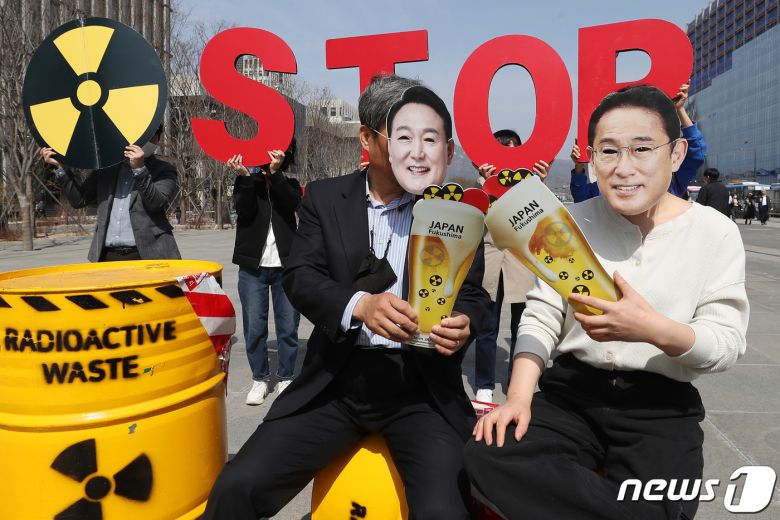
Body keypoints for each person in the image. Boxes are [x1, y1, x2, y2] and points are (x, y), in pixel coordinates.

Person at [203, 76, 489, 519]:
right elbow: (301, 275)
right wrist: (360, 304)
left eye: (429, 139)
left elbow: (472, 295)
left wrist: (465, 323)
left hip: (421, 390)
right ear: (368, 139)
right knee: (239, 486)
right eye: (402, 135)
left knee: (447, 510)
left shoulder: (457, 216)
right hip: (336, 383)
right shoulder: (325, 198)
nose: (417, 151)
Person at [464, 85, 749, 520]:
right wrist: (519, 397)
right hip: (572, 394)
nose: (623, 168)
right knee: (488, 456)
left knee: (664, 505)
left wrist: (652, 329)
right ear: (591, 158)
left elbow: (725, 343)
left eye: (641, 149)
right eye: (608, 152)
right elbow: (542, 314)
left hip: (661, 405)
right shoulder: (570, 222)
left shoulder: (714, 231)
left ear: (675, 155)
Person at [472, 129, 550, 403]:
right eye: (501, 147)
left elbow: (542, 216)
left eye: (512, 148)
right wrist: (484, 182)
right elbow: (475, 218)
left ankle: (517, 378)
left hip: (521, 259)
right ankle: (484, 382)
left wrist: (538, 183)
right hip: (492, 258)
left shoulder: (529, 184)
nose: (507, 153)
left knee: (523, 324)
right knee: (487, 324)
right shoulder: (481, 186)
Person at [226, 142, 301, 405]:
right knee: (255, 328)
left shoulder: (288, 183)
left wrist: (275, 173)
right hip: (252, 268)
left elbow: (293, 203)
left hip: (286, 267)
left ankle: (285, 377)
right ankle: (259, 379)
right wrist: (247, 178)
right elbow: (244, 211)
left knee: (288, 327)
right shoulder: (246, 181)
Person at [41, 125, 180, 261]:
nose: (149, 140)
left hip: (150, 255)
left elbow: (156, 203)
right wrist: (61, 167)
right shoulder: (107, 168)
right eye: (145, 134)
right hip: (108, 255)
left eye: (154, 136)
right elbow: (79, 199)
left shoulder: (165, 170)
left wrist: (139, 169)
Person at [570, 83, 706, 202]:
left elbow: (695, 153)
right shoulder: (606, 188)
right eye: (610, 150)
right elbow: (581, 196)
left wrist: (679, 109)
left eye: (642, 149)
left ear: (676, 156)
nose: (625, 170)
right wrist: (579, 166)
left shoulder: (671, 182)